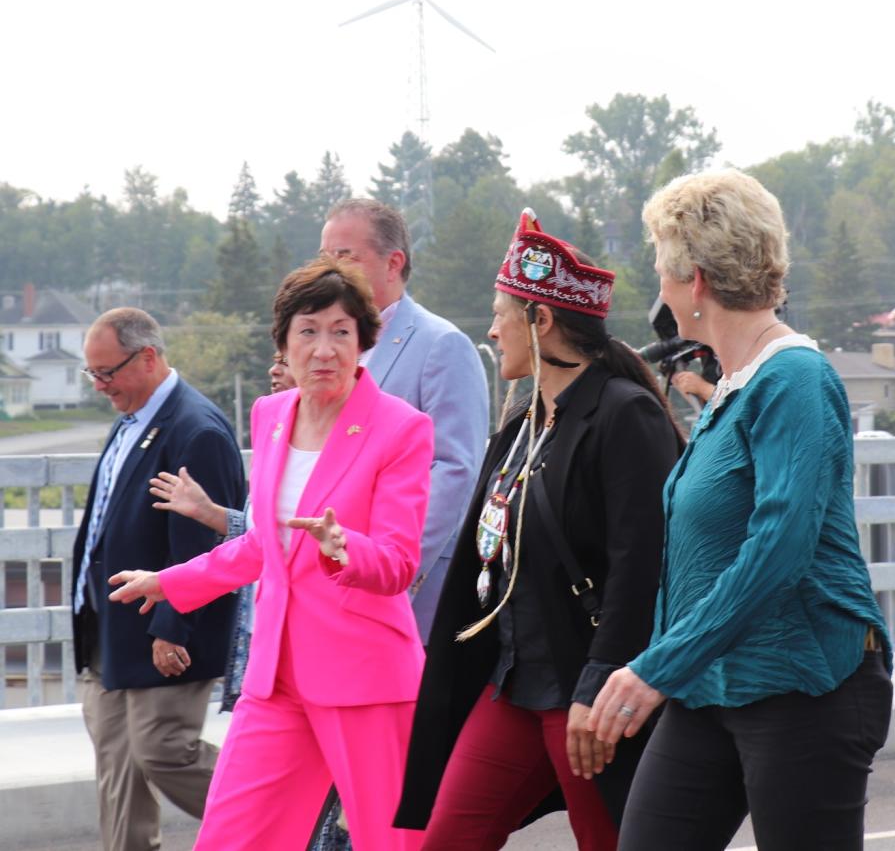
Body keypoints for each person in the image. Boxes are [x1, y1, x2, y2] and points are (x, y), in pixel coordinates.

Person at [589, 169, 894, 851]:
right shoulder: (735, 385)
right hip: (710, 686)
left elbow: (779, 549)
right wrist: (676, 664)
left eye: (663, 270)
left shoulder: (795, 380)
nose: (659, 289)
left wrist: (657, 665)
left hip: (804, 687)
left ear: (694, 279)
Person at [109, 256, 433, 851]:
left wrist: (344, 548)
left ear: (364, 341)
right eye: (308, 331)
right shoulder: (272, 414)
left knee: (390, 842)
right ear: (283, 342)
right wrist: (172, 581)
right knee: (232, 837)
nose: (325, 348)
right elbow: (264, 545)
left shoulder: (400, 429)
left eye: (342, 331)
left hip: (365, 679)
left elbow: (397, 562)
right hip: (276, 677)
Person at [394, 209, 681, 850]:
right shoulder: (524, 424)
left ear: (540, 320)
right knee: (445, 839)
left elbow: (643, 566)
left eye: (501, 314)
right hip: (516, 685)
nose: (492, 330)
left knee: (609, 842)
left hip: (589, 688)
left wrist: (600, 682)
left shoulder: (623, 415)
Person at [71, 307, 246, 851]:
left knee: (163, 750)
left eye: (108, 373)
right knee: (119, 772)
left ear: (148, 357)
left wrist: (173, 625)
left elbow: (206, 540)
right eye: (92, 374)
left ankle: (286, 813)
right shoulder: (132, 418)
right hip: (108, 628)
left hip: (161, 631)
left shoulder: (196, 430)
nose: (100, 386)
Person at [320, 198, 489, 641]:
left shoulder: (441, 345)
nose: (330, 271)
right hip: (330, 583)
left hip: (410, 586)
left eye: (346, 257)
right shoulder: (327, 348)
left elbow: (454, 468)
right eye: (324, 258)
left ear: (393, 262)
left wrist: (397, 566)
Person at [148, 350, 297, 712]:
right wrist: (210, 513)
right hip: (257, 631)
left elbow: (285, 542)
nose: (272, 369)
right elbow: (260, 537)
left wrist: (171, 587)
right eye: (274, 358)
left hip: (293, 636)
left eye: (284, 361)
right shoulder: (276, 431)